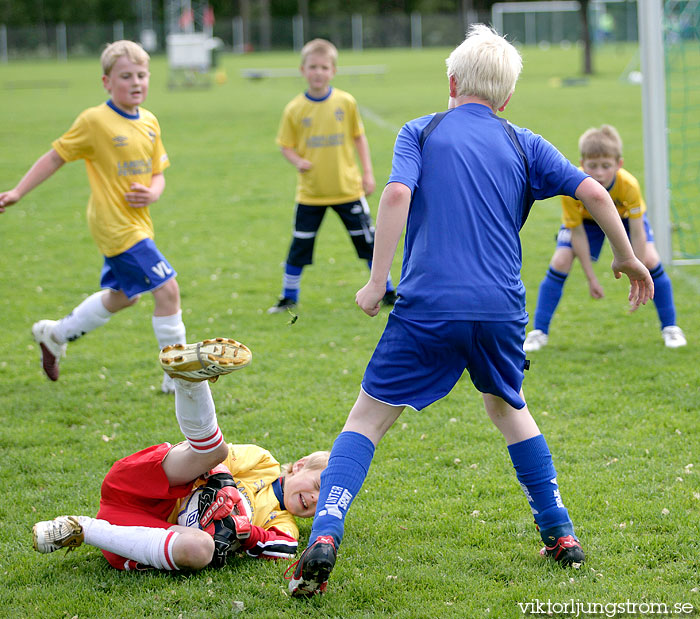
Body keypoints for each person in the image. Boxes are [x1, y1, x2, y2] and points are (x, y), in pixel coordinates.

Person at [286, 25, 654, 598]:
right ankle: (560, 533)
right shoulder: (523, 142)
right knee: (510, 410)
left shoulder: (420, 130)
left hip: (428, 306)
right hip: (502, 310)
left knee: (366, 420)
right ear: (506, 98)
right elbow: (597, 195)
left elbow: (395, 195)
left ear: (451, 82)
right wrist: (628, 258)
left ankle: (326, 533)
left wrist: (376, 281)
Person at [32, 337, 330, 571]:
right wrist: (225, 487)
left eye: (323, 504)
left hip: (139, 534)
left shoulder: (283, 522)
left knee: (201, 550)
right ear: (299, 466)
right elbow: (220, 462)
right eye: (318, 486)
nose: (315, 499)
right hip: (143, 487)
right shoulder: (263, 461)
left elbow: (285, 548)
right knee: (214, 452)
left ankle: (80, 528)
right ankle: (190, 381)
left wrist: (245, 530)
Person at [0, 40, 187, 393]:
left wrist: (154, 191)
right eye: (126, 76)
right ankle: (176, 375)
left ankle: (55, 334)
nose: (136, 82)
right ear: (106, 82)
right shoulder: (95, 120)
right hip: (114, 225)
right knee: (168, 290)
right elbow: (56, 156)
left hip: (138, 223)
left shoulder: (149, 122)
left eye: (142, 75)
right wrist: (17, 192)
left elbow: (158, 171)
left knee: (124, 296)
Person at [523, 125, 686, 351]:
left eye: (606, 166)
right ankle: (539, 331)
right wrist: (591, 279)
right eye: (592, 166)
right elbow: (577, 233)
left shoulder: (628, 185)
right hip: (587, 222)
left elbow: (638, 231)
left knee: (649, 259)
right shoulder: (573, 185)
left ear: (619, 164)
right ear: (582, 163)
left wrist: (636, 278)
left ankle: (671, 327)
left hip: (624, 220)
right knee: (560, 260)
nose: (598, 173)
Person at [268, 38, 396, 314]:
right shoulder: (294, 109)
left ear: (333, 71)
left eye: (324, 67)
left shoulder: (345, 102)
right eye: (312, 67)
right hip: (311, 193)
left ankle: (387, 291)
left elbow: (359, 138)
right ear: (302, 70)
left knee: (369, 242)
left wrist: (368, 173)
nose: (318, 72)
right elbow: (284, 145)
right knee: (299, 246)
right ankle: (289, 296)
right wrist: (297, 160)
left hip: (348, 189)